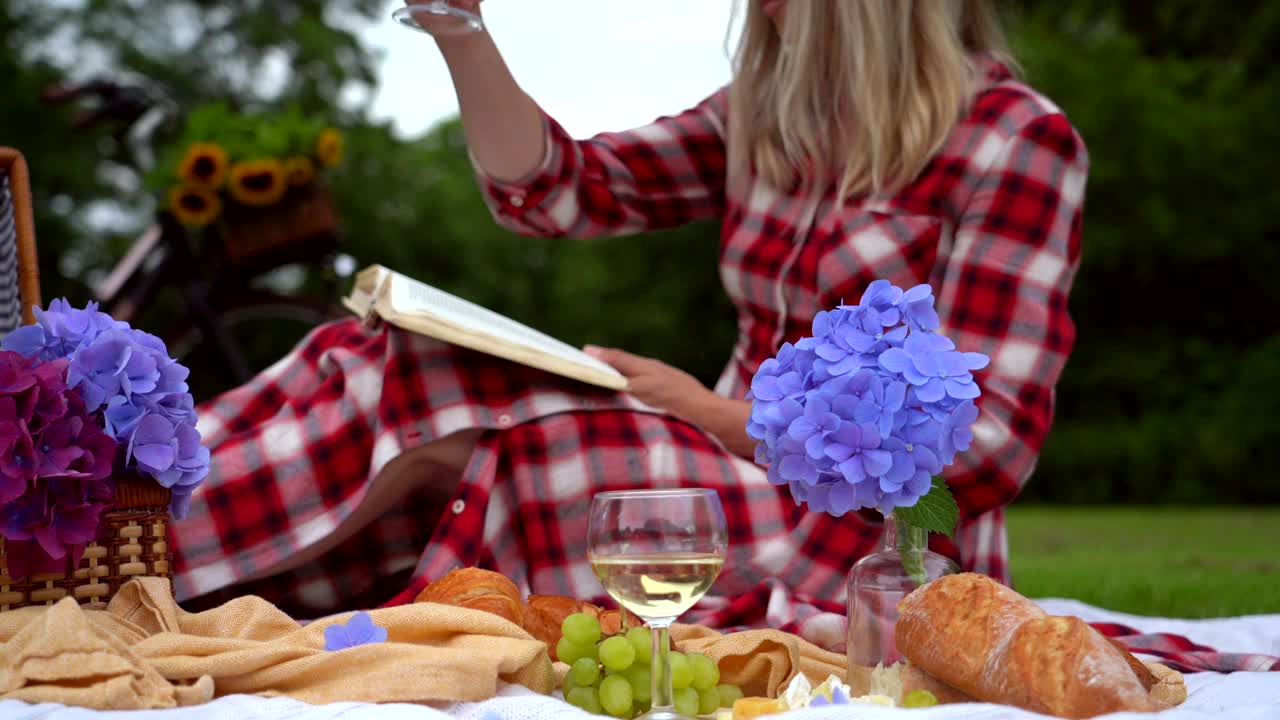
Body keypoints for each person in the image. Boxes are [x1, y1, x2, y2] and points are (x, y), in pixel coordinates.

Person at [170, 0, 1087, 638]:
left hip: (867, 538)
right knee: (377, 348)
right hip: (724, 471)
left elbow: (987, 451)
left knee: (508, 439)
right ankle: (116, 517)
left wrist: (714, 414)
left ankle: (132, 562)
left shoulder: (1013, 141)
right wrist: (459, 27)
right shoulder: (767, 118)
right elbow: (557, 194)